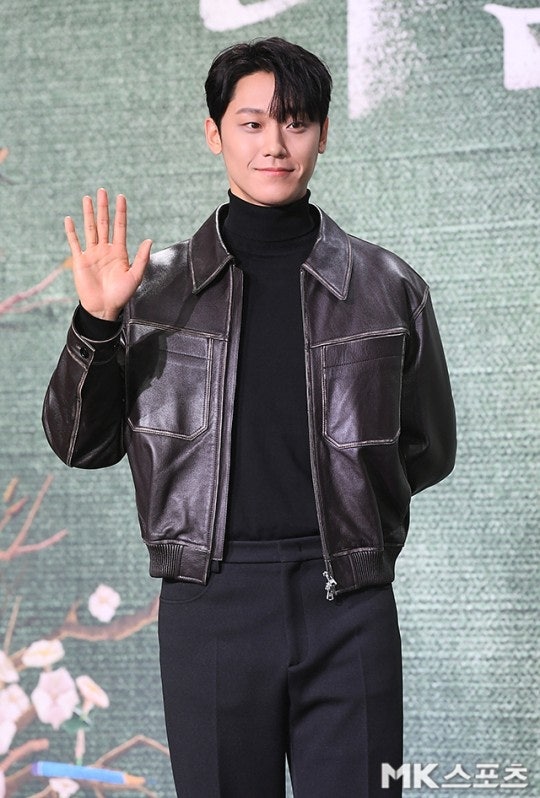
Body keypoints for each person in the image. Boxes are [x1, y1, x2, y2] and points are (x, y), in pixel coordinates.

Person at [43, 37, 456, 798]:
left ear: (323, 134)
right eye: (253, 123)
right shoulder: (151, 290)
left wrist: (353, 520)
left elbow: (428, 448)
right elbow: (80, 442)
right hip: (209, 604)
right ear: (215, 133)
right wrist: (98, 322)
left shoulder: (389, 286)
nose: (275, 145)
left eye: (296, 124)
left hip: (350, 603)